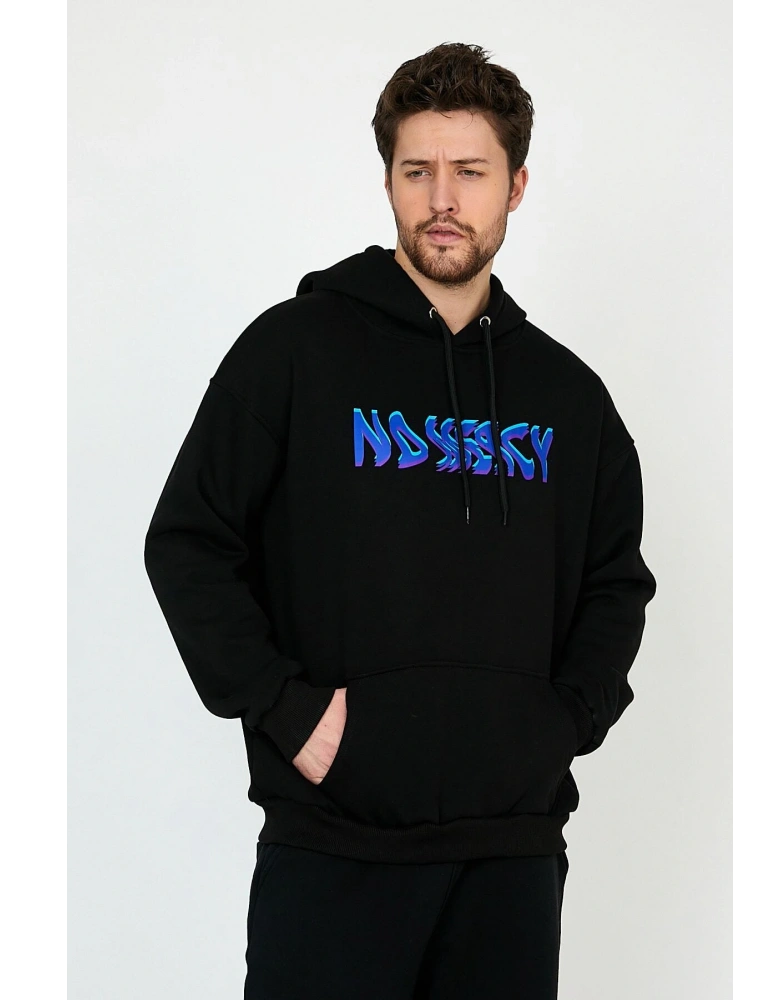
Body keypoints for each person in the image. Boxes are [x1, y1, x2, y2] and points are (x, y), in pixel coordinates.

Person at [143, 40, 657, 1000]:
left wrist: (561, 723)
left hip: (509, 855)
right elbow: (189, 542)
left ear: (517, 186)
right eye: (418, 171)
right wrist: (287, 710)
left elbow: (614, 582)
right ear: (388, 180)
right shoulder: (292, 353)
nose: (443, 200)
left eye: (471, 171)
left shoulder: (568, 398)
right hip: (332, 845)